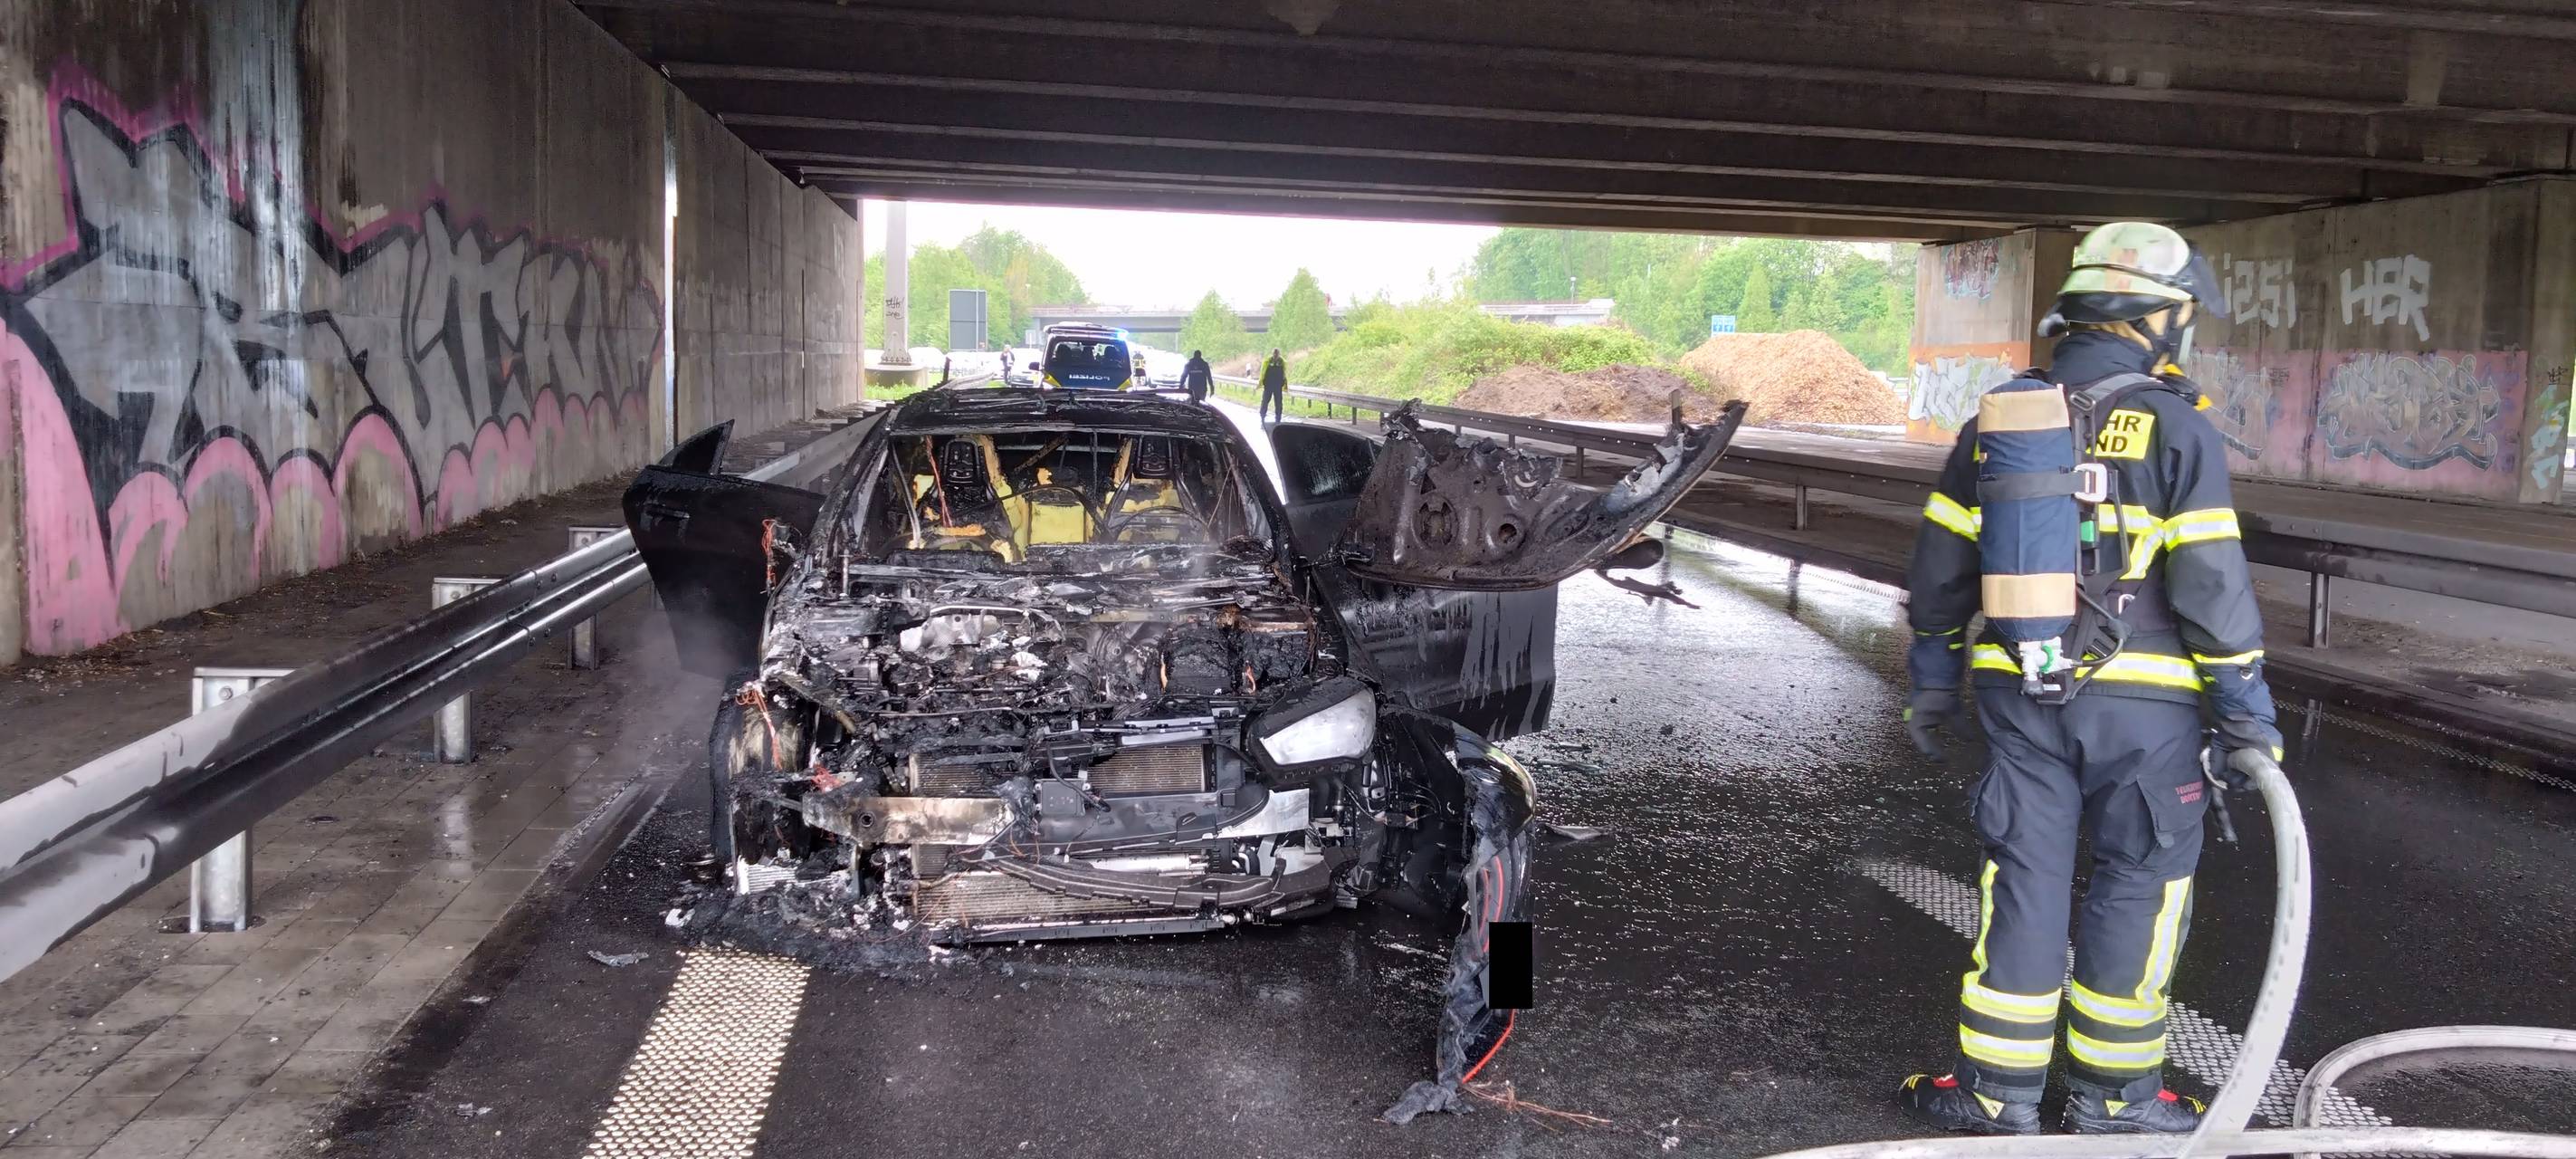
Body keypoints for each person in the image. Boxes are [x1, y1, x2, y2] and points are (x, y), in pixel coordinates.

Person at [1897, 222, 2281, 1136]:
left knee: (2024, 880)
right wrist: (2245, 717)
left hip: (2018, 693)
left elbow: (1940, 570)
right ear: (2157, 320)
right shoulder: (2176, 426)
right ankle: (2118, 1100)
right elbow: (2212, 588)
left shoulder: (1996, 422)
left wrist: (1932, 678)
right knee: (2139, 884)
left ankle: (1994, 1095)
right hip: (2146, 712)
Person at [1259, 349, 1288, 424]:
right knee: (1265, 402)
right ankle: (1262, 417)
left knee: (1278, 403)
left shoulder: (1282, 362)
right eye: (1274, 353)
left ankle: (1278, 419)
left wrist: (1282, 383)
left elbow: (1284, 373)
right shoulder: (1268, 361)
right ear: (1272, 353)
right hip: (1268, 386)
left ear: (1279, 354)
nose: (1275, 355)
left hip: (1278, 386)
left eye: (1277, 354)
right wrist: (1264, 382)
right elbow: (1263, 372)